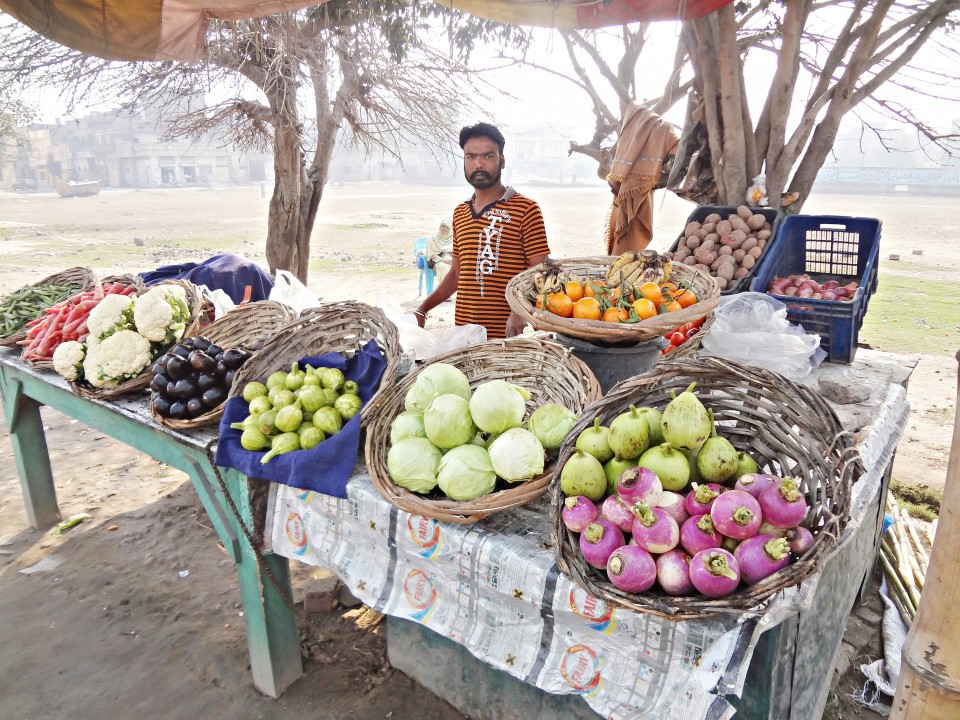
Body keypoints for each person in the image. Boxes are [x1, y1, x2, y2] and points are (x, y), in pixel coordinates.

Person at [414, 123, 550, 339]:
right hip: (466, 335)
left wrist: (519, 311)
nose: (478, 164)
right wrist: (422, 309)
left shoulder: (526, 209)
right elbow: (457, 273)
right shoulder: (460, 213)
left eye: (487, 156)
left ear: (501, 160)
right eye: (471, 157)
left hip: (510, 338)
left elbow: (542, 273)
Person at [604, 102, 679, 255]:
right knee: (628, 241)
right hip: (635, 191)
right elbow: (676, 148)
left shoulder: (631, 132)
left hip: (636, 191)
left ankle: (621, 265)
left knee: (630, 236)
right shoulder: (660, 130)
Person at [425, 219, 454, 284]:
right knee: (442, 266)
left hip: (450, 259)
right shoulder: (433, 239)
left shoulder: (453, 239)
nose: (444, 228)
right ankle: (444, 287)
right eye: (443, 226)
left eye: (447, 227)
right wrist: (443, 260)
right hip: (437, 261)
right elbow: (432, 255)